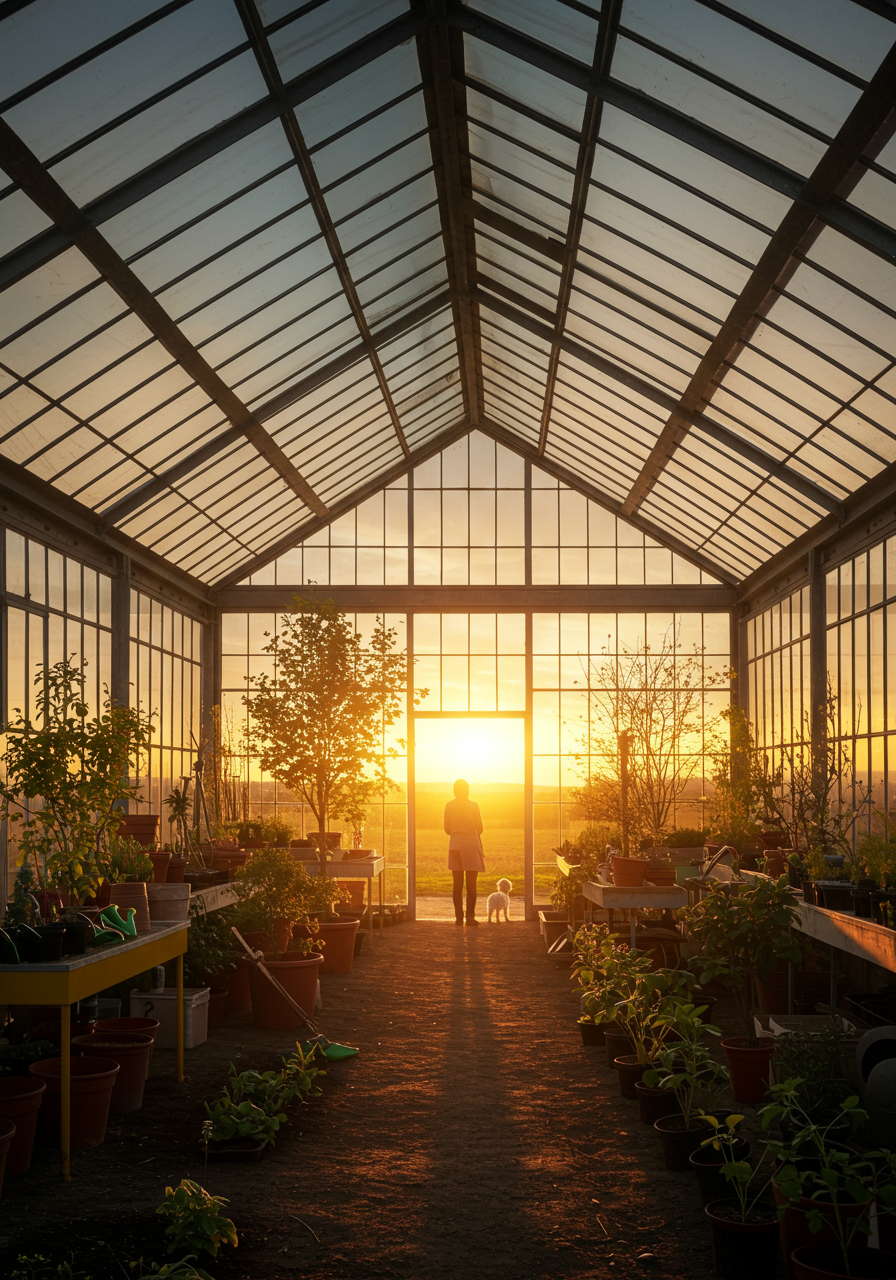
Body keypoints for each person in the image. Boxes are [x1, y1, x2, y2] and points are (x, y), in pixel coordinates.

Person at [444, 778, 485, 926]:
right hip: (471, 845)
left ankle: (458, 918)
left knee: (457, 884)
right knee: (471, 884)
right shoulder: (474, 805)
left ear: (454, 790)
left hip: (455, 845)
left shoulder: (449, 806)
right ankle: (470, 917)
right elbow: (480, 828)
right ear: (467, 790)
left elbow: (447, 829)